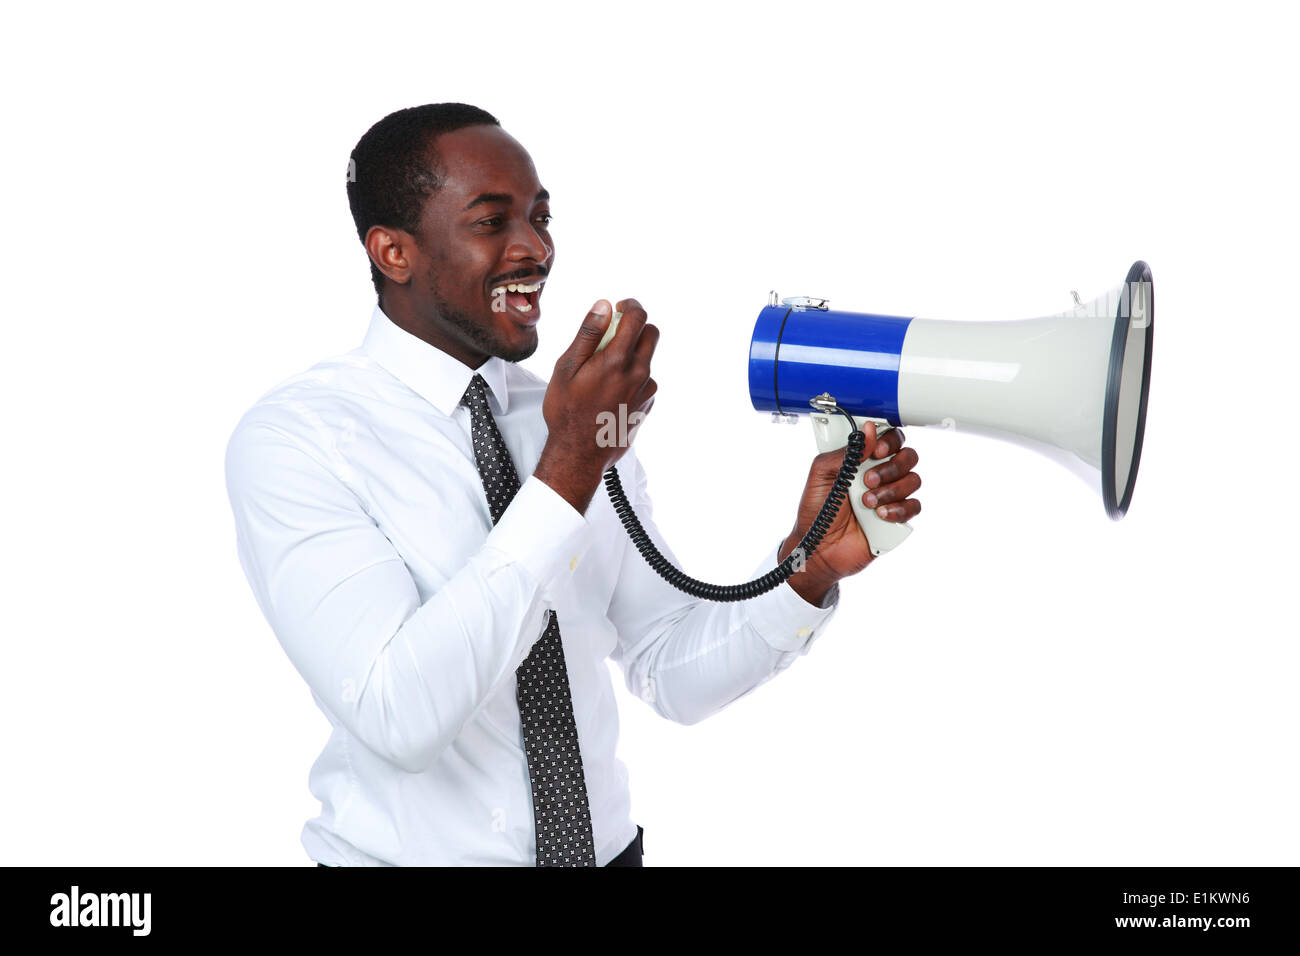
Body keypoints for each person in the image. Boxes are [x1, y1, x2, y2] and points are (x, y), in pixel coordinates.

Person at [223, 103, 922, 867]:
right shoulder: (297, 440)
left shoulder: (566, 416)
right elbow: (399, 717)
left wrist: (807, 566)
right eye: (491, 222)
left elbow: (667, 669)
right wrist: (570, 469)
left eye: (540, 216)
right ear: (394, 251)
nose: (535, 249)